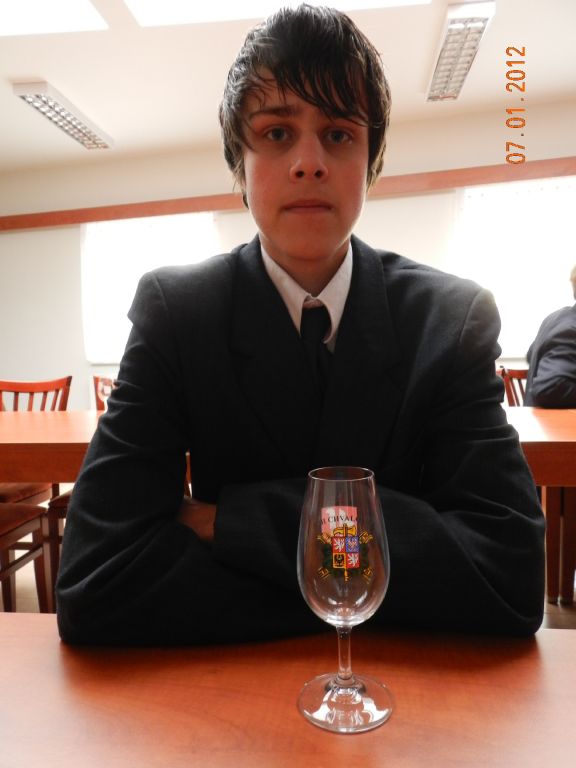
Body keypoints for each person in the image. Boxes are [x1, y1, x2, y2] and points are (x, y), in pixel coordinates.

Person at [56, 4, 545, 644]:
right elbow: (95, 581)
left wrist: (227, 524)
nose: (309, 162)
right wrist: (369, 578)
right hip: (229, 689)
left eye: (338, 133)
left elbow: (508, 577)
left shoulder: (450, 321)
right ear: (239, 162)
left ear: (370, 163)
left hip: (407, 687)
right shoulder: (178, 313)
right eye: (277, 132)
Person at [525, 266, 576, 407]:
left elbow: (530, 355)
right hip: (559, 422)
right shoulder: (570, 331)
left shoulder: (555, 318)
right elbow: (550, 387)